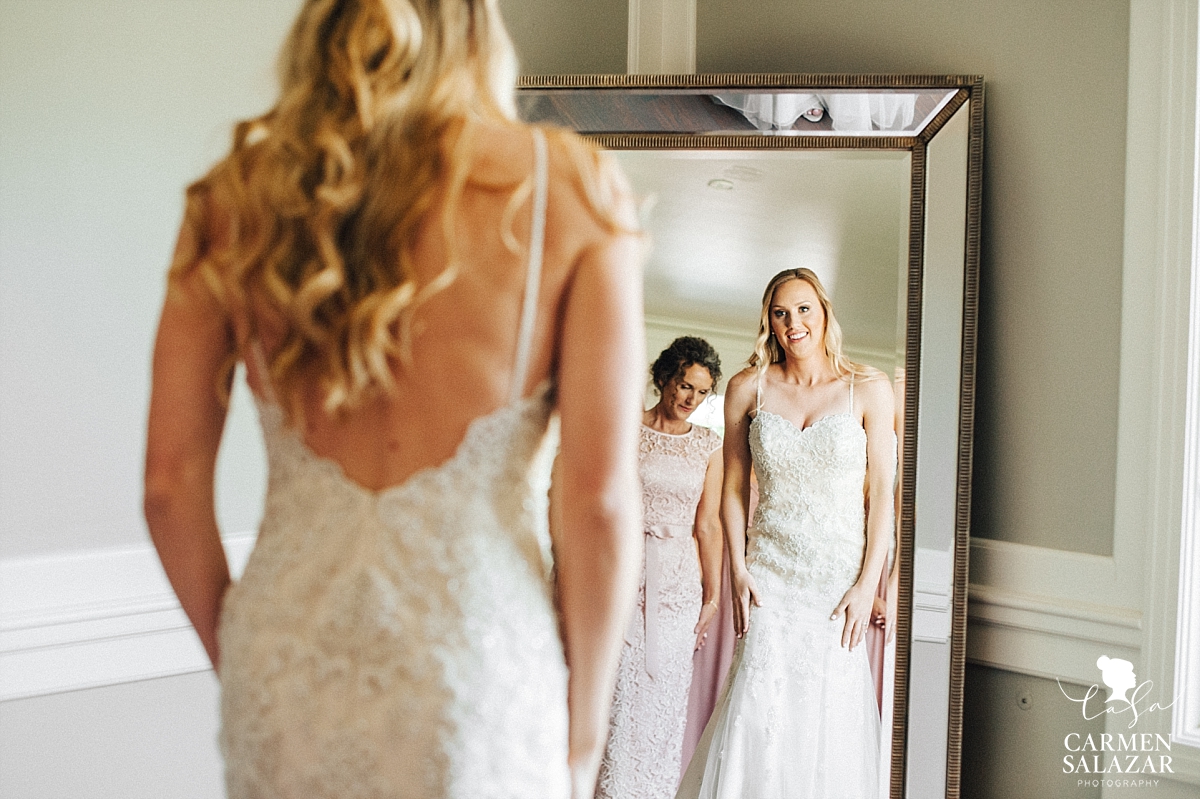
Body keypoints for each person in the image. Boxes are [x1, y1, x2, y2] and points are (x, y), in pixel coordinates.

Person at [142, 2, 645, 797]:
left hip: (287, 653)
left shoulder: (233, 199)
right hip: (477, 660)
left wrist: (239, 648)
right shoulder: (567, 187)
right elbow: (600, 504)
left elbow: (169, 485)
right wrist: (582, 734)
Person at [677, 268, 896, 799]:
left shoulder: (867, 388)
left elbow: (885, 498)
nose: (793, 323)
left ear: (823, 313)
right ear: (769, 322)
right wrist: (739, 571)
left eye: (803, 310)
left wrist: (869, 585)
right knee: (758, 707)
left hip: (836, 584)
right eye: (780, 312)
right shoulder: (747, 388)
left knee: (827, 716)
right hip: (769, 576)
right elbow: (731, 489)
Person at [595, 337, 724, 799]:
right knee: (620, 696)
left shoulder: (709, 446)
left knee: (664, 703)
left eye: (701, 392)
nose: (690, 399)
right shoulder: (627, 426)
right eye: (684, 385)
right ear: (664, 378)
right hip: (626, 575)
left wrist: (712, 597)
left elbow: (708, 525)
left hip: (678, 590)